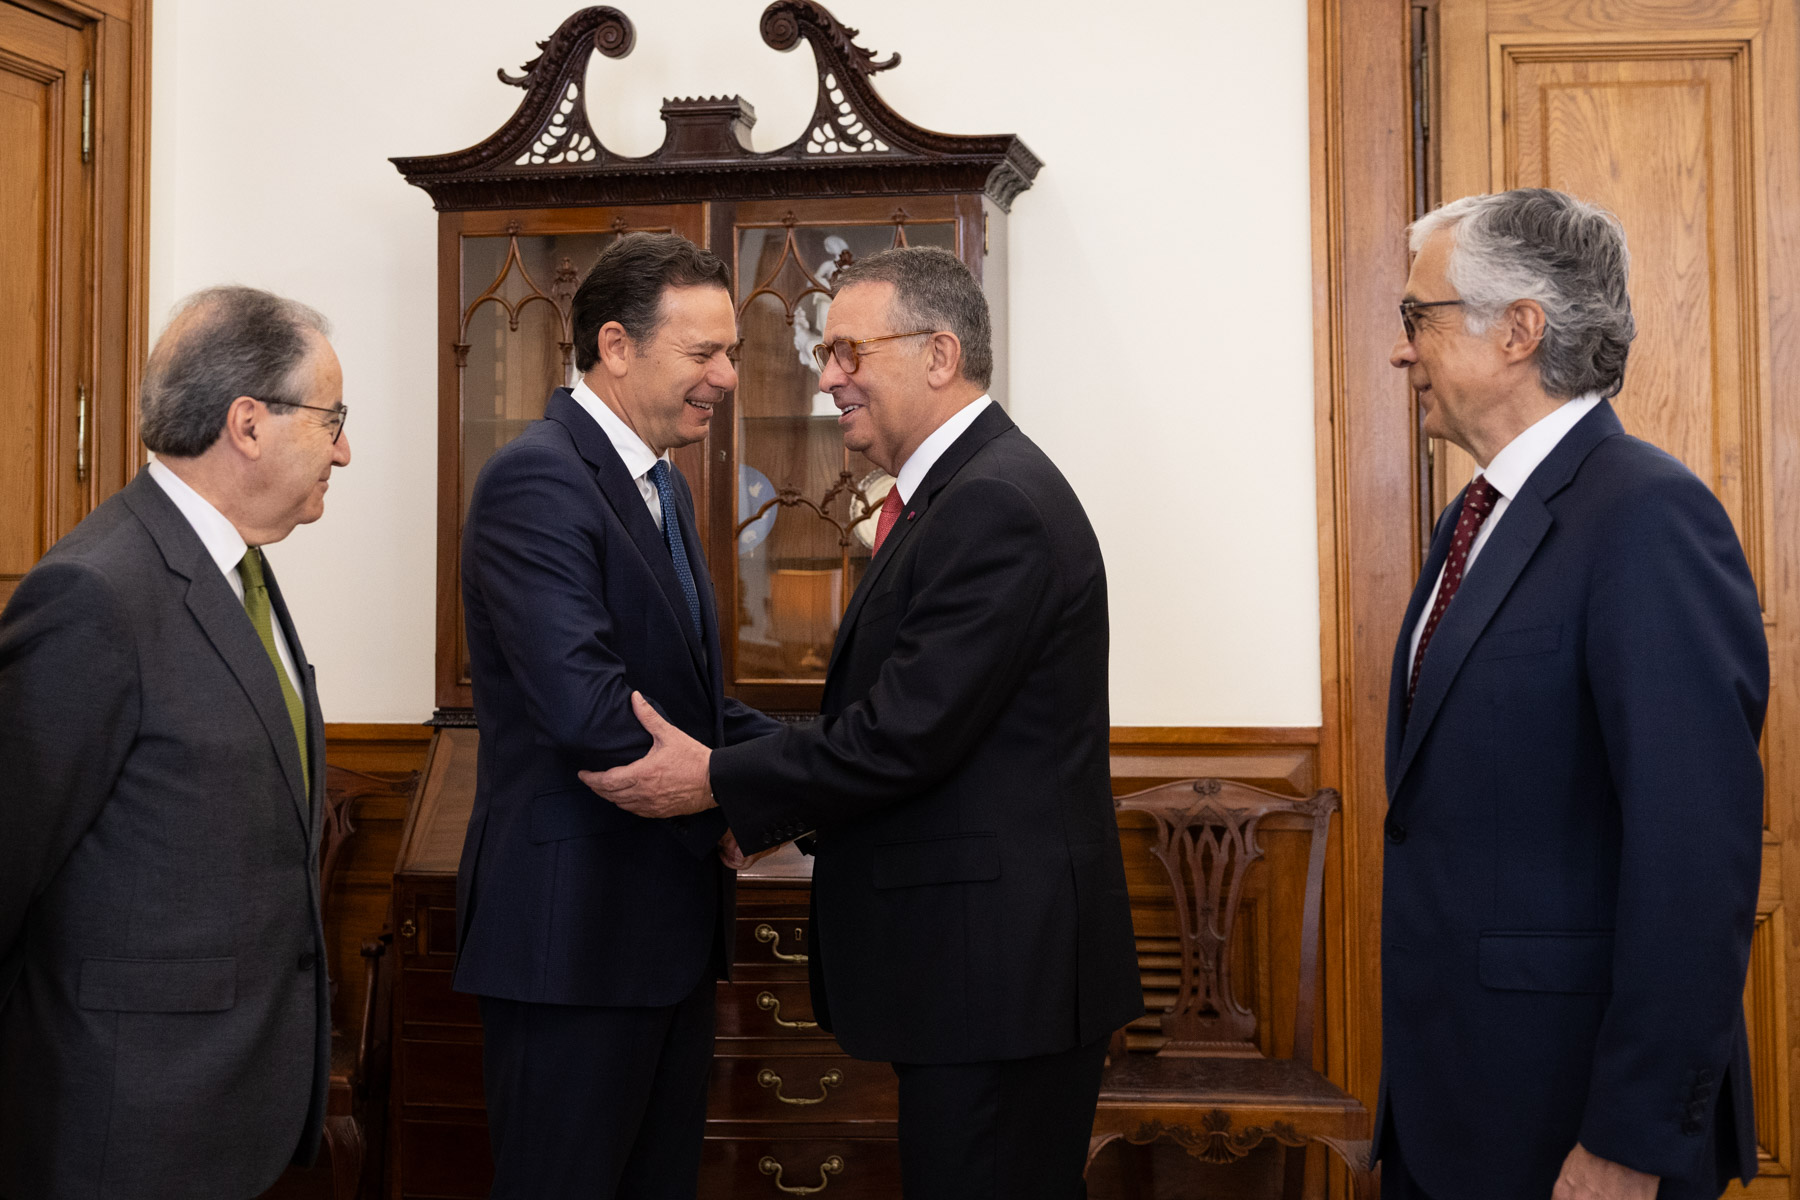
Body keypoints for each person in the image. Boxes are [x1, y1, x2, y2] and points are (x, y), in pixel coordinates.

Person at [586, 246, 1143, 1200]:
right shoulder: (957, 495)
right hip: (978, 975)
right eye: (825, 353)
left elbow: (902, 735)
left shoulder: (993, 504)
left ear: (939, 354)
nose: (827, 377)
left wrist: (716, 780)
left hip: (1000, 979)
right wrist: (755, 783)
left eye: (849, 351)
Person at [1377, 189, 1766, 1199]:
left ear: (1518, 330)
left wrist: (1632, 1139)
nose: (1400, 350)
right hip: (1455, 1094)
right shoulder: (1473, 516)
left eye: (1418, 316)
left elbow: (1694, 859)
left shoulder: (1649, 515)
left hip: (1575, 1121)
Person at [0, 286, 352, 1198]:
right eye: (332, 419)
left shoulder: (239, 568)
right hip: (126, 1125)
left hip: (229, 1110)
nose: (343, 450)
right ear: (248, 424)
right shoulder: (94, 594)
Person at [453, 232, 782, 1200]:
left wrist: (824, 760)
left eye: (730, 352)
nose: (727, 376)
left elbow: (690, 702)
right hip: (574, 945)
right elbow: (593, 715)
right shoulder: (537, 478)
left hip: (659, 942)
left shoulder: (661, 484)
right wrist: (748, 791)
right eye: (704, 352)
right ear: (616, 346)